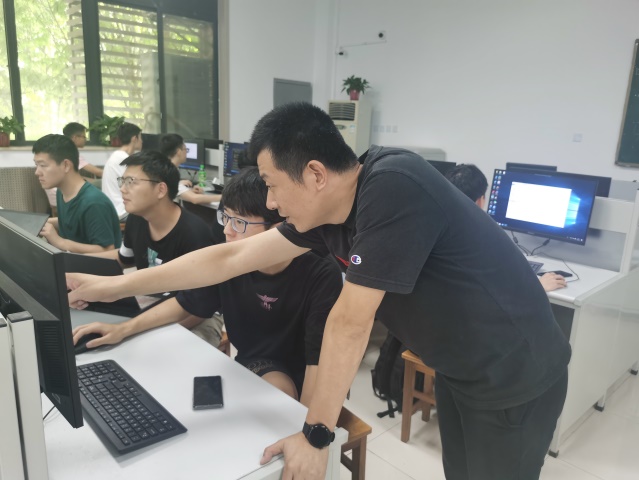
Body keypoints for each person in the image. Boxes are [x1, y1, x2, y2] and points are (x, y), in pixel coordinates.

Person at [68, 103, 571, 480]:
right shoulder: (330, 212)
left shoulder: (394, 187)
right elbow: (229, 258)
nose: (269, 201)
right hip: (461, 370)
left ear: (314, 174)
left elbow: (350, 324)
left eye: (271, 184)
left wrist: (316, 435)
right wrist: (115, 284)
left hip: (514, 374)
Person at [72, 166, 343, 404]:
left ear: (279, 228)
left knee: (278, 389)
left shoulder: (320, 272)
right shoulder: (230, 262)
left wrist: (306, 429)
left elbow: (318, 361)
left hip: (300, 373)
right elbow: (186, 302)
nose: (227, 230)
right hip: (251, 363)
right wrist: (123, 329)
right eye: (226, 217)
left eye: (239, 222)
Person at [90, 150, 223, 346]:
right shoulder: (137, 219)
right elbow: (123, 259)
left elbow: (200, 306)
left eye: (131, 182)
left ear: (161, 190)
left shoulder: (195, 234)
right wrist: (71, 261)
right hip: (154, 301)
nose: (123, 189)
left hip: (199, 316)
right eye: (122, 181)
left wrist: (144, 330)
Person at [445, 163, 568, 292]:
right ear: (480, 201)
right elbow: (500, 293)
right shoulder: (479, 243)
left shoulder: (439, 230)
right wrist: (539, 287)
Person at [34, 134, 121, 253]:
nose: (37, 172)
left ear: (66, 165)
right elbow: (74, 222)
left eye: (43, 165)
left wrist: (60, 242)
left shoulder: (93, 202)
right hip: (72, 261)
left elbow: (107, 250)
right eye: (36, 165)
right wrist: (44, 222)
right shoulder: (62, 191)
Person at [159, 133, 222, 205]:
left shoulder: (162, 168)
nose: (186, 152)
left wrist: (185, 188)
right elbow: (195, 199)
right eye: (186, 149)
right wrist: (224, 197)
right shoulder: (170, 174)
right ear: (178, 152)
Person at [102, 122, 143, 220]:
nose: (142, 141)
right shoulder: (123, 159)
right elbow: (137, 185)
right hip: (121, 211)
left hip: (115, 208)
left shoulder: (117, 156)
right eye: (141, 138)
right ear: (134, 138)